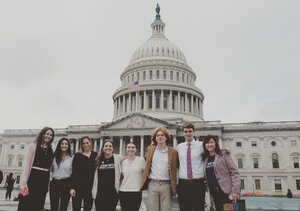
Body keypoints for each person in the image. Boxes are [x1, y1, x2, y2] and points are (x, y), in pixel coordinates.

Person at [140, 126, 178, 211]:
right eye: (158, 135)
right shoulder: (150, 150)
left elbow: (179, 165)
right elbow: (142, 160)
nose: (160, 137)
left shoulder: (173, 152)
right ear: (155, 138)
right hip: (153, 184)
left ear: (166, 138)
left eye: (162, 135)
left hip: (166, 185)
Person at [18, 127, 55, 211]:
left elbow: (49, 167)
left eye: (51, 135)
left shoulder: (50, 149)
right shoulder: (33, 146)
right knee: (26, 203)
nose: (48, 136)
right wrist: (23, 183)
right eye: (47, 134)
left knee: (39, 204)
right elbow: (27, 165)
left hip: (44, 180)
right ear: (42, 134)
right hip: (33, 178)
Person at [202, 135, 240, 211]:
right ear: (204, 145)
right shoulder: (205, 158)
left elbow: (234, 172)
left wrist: (235, 191)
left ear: (216, 143)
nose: (209, 144)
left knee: (230, 210)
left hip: (227, 193)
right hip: (214, 193)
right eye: (207, 143)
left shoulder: (223, 154)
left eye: (211, 142)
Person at [177, 123, 206, 211]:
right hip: (183, 183)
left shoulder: (202, 145)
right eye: (185, 132)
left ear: (194, 132)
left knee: (199, 208)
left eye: (190, 131)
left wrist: (224, 151)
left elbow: (213, 153)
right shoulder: (179, 147)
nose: (188, 134)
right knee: (184, 208)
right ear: (183, 133)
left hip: (198, 183)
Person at [92, 140, 122, 211]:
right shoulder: (97, 159)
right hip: (99, 193)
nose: (108, 147)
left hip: (112, 193)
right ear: (102, 148)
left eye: (110, 146)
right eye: (106, 146)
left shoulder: (119, 159)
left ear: (113, 149)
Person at [70, 136, 97, 211]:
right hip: (78, 186)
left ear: (90, 143)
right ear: (81, 145)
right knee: (76, 208)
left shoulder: (95, 155)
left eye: (87, 143)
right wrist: (72, 187)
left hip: (90, 187)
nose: (86, 145)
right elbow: (74, 172)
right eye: (83, 143)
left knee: (88, 208)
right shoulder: (77, 156)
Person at [119, 143, 145, 211]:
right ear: (126, 149)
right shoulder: (122, 162)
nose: (131, 149)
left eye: (133, 147)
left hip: (136, 191)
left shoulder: (141, 160)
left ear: (136, 150)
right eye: (129, 147)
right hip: (123, 191)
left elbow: (146, 174)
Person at [50, 138, 73, 211]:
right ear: (59, 145)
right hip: (55, 183)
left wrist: (72, 187)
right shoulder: (54, 157)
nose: (64, 145)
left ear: (68, 146)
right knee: (54, 206)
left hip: (67, 183)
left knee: (64, 207)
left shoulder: (72, 158)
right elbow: (49, 170)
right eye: (62, 144)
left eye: (66, 144)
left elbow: (73, 173)